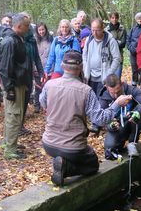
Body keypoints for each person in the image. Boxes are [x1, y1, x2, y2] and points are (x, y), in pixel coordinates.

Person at [40, 51, 133, 187]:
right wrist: (117, 104)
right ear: (81, 67)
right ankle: (66, 168)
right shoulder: (86, 91)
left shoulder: (49, 85)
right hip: (73, 147)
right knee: (93, 165)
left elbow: (43, 103)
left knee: (76, 154)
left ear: (61, 65)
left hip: (48, 144)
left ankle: (61, 162)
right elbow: (100, 119)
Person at [0, 13, 33, 159]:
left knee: (13, 114)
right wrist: (9, 88)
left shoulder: (17, 39)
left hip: (19, 83)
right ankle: (10, 150)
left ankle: (9, 142)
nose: (28, 29)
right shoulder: (10, 41)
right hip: (14, 84)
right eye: (27, 26)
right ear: (18, 26)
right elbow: (6, 67)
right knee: (14, 116)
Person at [98, 74, 141, 159]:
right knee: (110, 150)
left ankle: (132, 143)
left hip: (132, 121)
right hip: (118, 125)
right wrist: (111, 125)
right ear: (107, 87)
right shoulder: (104, 96)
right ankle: (120, 142)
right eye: (112, 93)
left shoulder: (132, 90)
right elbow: (102, 118)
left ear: (122, 84)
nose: (116, 96)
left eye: (118, 91)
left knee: (140, 110)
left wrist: (137, 112)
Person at [82, 18, 121, 97]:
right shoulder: (89, 40)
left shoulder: (110, 41)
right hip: (89, 77)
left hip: (103, 78)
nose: (95, 33)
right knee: (90, 99)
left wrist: (109, 73)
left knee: (101, 100)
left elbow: (117, 58)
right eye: (93, 30)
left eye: (97, 30)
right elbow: (84, 55)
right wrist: (85, 68)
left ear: (102, 28)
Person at [34, 22, 53, 112]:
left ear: (45, 29)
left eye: (43, 29)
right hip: (37, 68)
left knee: (48, 87)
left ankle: (47, 105)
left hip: (48, 67)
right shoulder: (34, 40)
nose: (41, 31)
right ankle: (37, 105)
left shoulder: (51, 39)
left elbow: (52, 54)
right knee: (38, 87)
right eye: (39, 30)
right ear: (37, 31)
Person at [125, 12, 141, 86]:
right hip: (132, 52)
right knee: (134, 68)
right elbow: (128, 39)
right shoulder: (133, 29)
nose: (140, 20)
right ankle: (134, 82)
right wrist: (130, 48)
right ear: (136, 19)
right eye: (138, 19)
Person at [105, 12, 127, 78]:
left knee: (117, 78)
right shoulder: (106, 30)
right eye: (112, 18)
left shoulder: (122, 29)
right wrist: (117, 42)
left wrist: (113, 43)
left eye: (116, 18)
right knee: (109, 79)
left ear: (118, 18)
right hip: (108, 57)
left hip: (119, 56)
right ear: (110, 18)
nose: (114, 19)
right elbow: (106, 43)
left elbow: (123, 43)